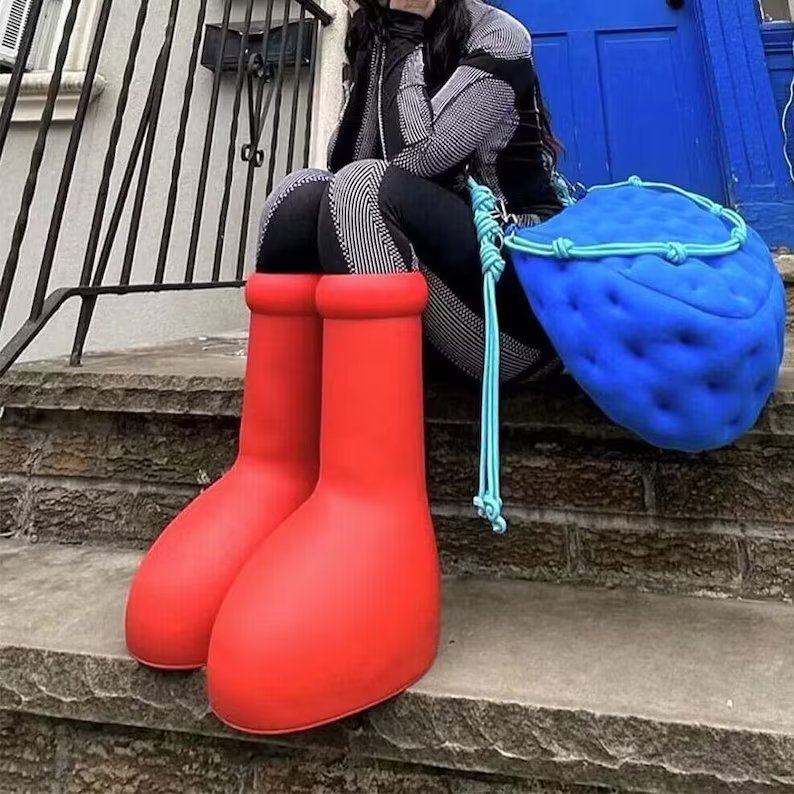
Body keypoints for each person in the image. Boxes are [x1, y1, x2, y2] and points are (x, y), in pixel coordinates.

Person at [257, 0, 563, 383]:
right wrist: (378, 39)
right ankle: (284, 425)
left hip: (513, 300)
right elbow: (345, 161)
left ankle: (380, 419)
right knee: (297, 198)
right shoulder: (385, 31)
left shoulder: (499, 34)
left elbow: (417, 157)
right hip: (420, 296)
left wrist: (402, 29)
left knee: (362, 189)